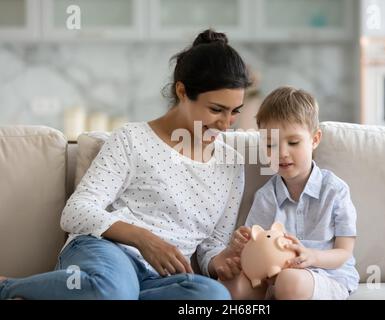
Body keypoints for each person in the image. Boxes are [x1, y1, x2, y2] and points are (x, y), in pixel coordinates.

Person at [0, 29, 251, 300]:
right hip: (108, 252)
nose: (226, 124)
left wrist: (220, 262)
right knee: (115, 290)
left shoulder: (231, 164)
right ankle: (7, 288)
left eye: (235, 111)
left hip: (161, 279)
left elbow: (210, 248)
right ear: (182, 91)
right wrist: (144, 240)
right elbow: (75, 212)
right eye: (216, 110)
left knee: (213, 297)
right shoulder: (133, 138)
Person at [218, 86, 359, 300]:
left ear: (314, 139)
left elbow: (344, 253)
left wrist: (312, 257)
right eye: (270, 144)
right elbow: (256, 246)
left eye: (293, 142)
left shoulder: (335, 190)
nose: (282, 153)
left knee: (289, 281)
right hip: (273, 275)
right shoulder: (266, 196)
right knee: (230, 286)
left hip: (326, 275)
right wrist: (242, 247)